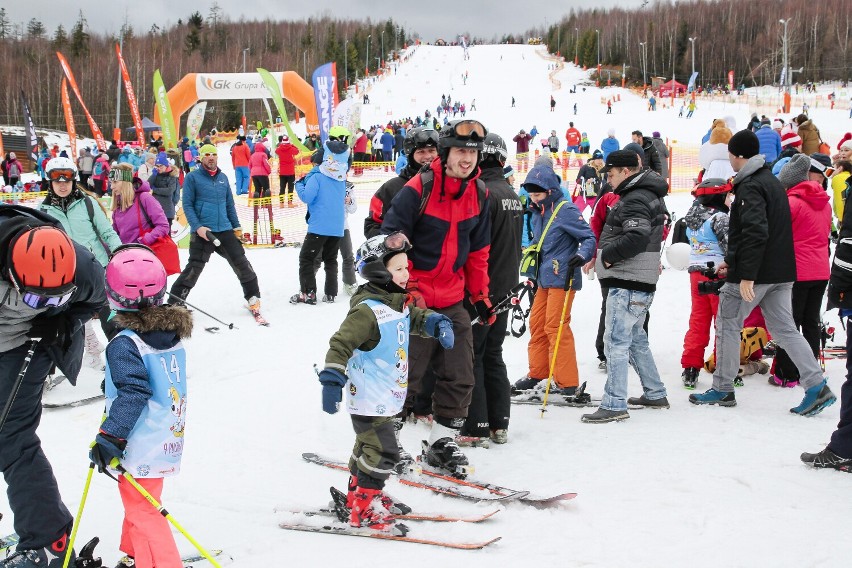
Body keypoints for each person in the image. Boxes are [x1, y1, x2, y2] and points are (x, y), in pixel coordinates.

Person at [689, 130, 837, 414]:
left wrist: (745, 274)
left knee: (728, 323)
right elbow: (762, 232)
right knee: (785, 330)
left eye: (731, 155)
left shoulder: (750, 185)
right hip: (781, 272)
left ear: (737, 155)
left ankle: (722, 388)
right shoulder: (771, 182)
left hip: (757, 274)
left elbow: (755, 232)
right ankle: (817, 386)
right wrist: (733, 261)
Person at [317, 233, 453, 533]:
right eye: (399, 268)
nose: (407, 274)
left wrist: (434, 321)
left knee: (367, 448)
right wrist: (331, 379)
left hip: (385, 396)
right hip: (368, 399)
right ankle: (364, 510)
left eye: (407, 267)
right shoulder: (367, 311)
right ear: (379, 271)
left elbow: (413, 317)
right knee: (385, 453)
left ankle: (360, 495)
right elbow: (340, 343)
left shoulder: (396, 303)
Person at [382, 119, 492, 475]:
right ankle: (386, 442)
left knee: (460, 373)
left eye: (473, 152)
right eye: (461, 151)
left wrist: (480, 295)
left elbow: (479, 252)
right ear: (446, 154)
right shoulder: (418, 189)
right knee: (406, 375)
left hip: (452, 297)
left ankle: (442, 443)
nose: (467, 158)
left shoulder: (480, 194)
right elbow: (391, 243)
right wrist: (408, 288)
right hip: (415, 298)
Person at [0, 206, 105, 567]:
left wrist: (59, 320)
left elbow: (96, 298)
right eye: (34, 299)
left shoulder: (83, 266)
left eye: (56, 297)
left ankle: (49, 541)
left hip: (27, 346)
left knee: (11, 437)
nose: (43, 304)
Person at [90, 244, 193, 568]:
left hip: (139, 438)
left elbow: (134, 391)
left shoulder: (125, 343)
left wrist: (110, 436)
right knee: (139, 497)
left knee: (144, 508)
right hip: (166, 434)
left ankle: (161, 562)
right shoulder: (168, 335)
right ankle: (136, 553)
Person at [582, 150, 670, 423]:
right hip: (637, 279)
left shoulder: (635, 198)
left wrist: (607, 256)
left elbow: (637, 236)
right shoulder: (644, 194)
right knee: (635, 341)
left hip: (627, 280)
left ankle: (614, 402)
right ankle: (655, 392)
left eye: (611, 174)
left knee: (616, 342)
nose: (608, 180)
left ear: (626, 172)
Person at [458, 133, 523, 447]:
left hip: (483, 289)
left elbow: (475, 246)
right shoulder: (510, 191)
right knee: (492, 355)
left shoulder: (482, 192)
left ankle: (477, 426)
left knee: (474, 356)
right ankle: (499, 423)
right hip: (506, 285)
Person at [513, 162, 595, 399]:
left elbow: (588, 237)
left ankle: (566, 381)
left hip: (563, 276)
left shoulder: (565, 209)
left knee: (556, 326)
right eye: (530, 192)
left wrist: (580, 255)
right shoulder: (538, 211)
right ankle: (538, 372)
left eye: (537, 192)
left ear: (549, 190)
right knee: (537, 324)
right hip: (542, 278)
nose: (533, 196)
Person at [37, 157, 123, 368]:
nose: (63, 184)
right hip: (68, 275)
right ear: (50, 181)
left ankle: (123, 360)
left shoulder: (87, 203)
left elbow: (107, 232)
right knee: (71, 321)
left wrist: (121, 253)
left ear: (74, 180)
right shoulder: (43, 211)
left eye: (67, 179)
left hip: (96, 270)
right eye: (58, 180)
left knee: (110, 318)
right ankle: (92, 352)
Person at [168, 145, 261, 314]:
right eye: (207, 155)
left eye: (214, 155)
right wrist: (198, 228)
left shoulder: (223, 178)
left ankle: (253, 296)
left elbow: (229, 205)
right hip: (204, 231)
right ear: (201, 158)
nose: (211, 158)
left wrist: (236, 226)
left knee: (241, 262)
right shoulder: (192, 178)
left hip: (225, 229)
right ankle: (175, 301)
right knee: (194, 267)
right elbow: (187, 205)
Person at [768, 154, 831, 387]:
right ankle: (811, 372)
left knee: (790, 323)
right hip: (821, 270)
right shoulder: (823, 202)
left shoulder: (791, 203)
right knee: (811, 322)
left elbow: (778, 236)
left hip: (798, 271)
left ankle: (787, 374)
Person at [679, 178, 733, 389]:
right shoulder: (720, 218)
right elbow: (730, 249)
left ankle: (690, 366)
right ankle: (725, 366)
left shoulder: (691, 219)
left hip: (696, 274)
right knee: (724, 321)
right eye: (727, 195)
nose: (730, 199)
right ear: (718, 197)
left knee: (698, 319)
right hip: (719, 273)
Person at [292, 131, 351, 304]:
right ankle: (330, 294)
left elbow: (307, 197)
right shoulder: (341, 177)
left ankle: (308, 293)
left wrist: (298, 185)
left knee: (306, 258)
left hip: (319, 226)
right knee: (331, 259)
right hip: (337, 226)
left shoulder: (317, 176)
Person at [364, 128, 439, 239]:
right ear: (410, 155)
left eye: (432, 150)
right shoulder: (391, 188)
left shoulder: (449, 185)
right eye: (421, 151)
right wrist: (394, 244)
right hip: (405, 254)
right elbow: (372, 226)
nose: (428, 156)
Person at [147, 154, 181, 228]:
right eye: (157, 166)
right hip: (155, 210)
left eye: (161, 166)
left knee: (166, 236)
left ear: (166, 166)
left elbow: (169, 191)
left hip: (167, 210)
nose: (159, 168)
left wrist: (154, 190)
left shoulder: (172, 176)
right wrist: (153, 175)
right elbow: (147, 186)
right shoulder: (156, 175)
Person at [276, 135, 300, 207]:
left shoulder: (279, 149)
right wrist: (292, 145)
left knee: (282, 187)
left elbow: (276, 150)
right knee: (290, 187)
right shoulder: (291, 148)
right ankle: (290, 203)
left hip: (282, 171)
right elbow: (297, 151)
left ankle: (281, 203)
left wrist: (281, 145)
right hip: (290, 171)